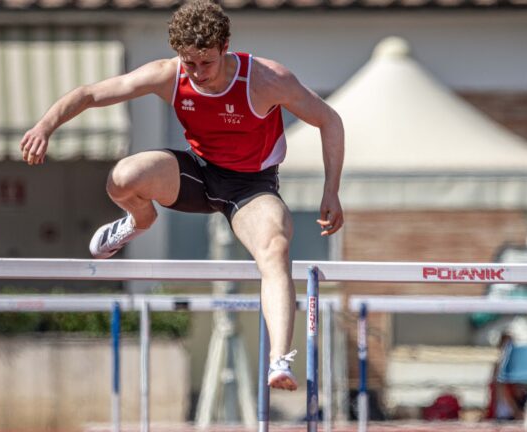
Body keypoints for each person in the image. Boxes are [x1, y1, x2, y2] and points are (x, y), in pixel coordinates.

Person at [19, 0, 344, 391]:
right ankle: (141, 220)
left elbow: (329, 120)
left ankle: (279, 360)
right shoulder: (169, 75)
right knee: (123, 177)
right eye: (188, 62)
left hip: (251, 186)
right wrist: (44, 126)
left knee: (274, 248)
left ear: (225, 47)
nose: (197, 73)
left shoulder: (266, 78)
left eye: (205, 63)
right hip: (197, 173)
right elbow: (90, 94)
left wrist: (331, 190)